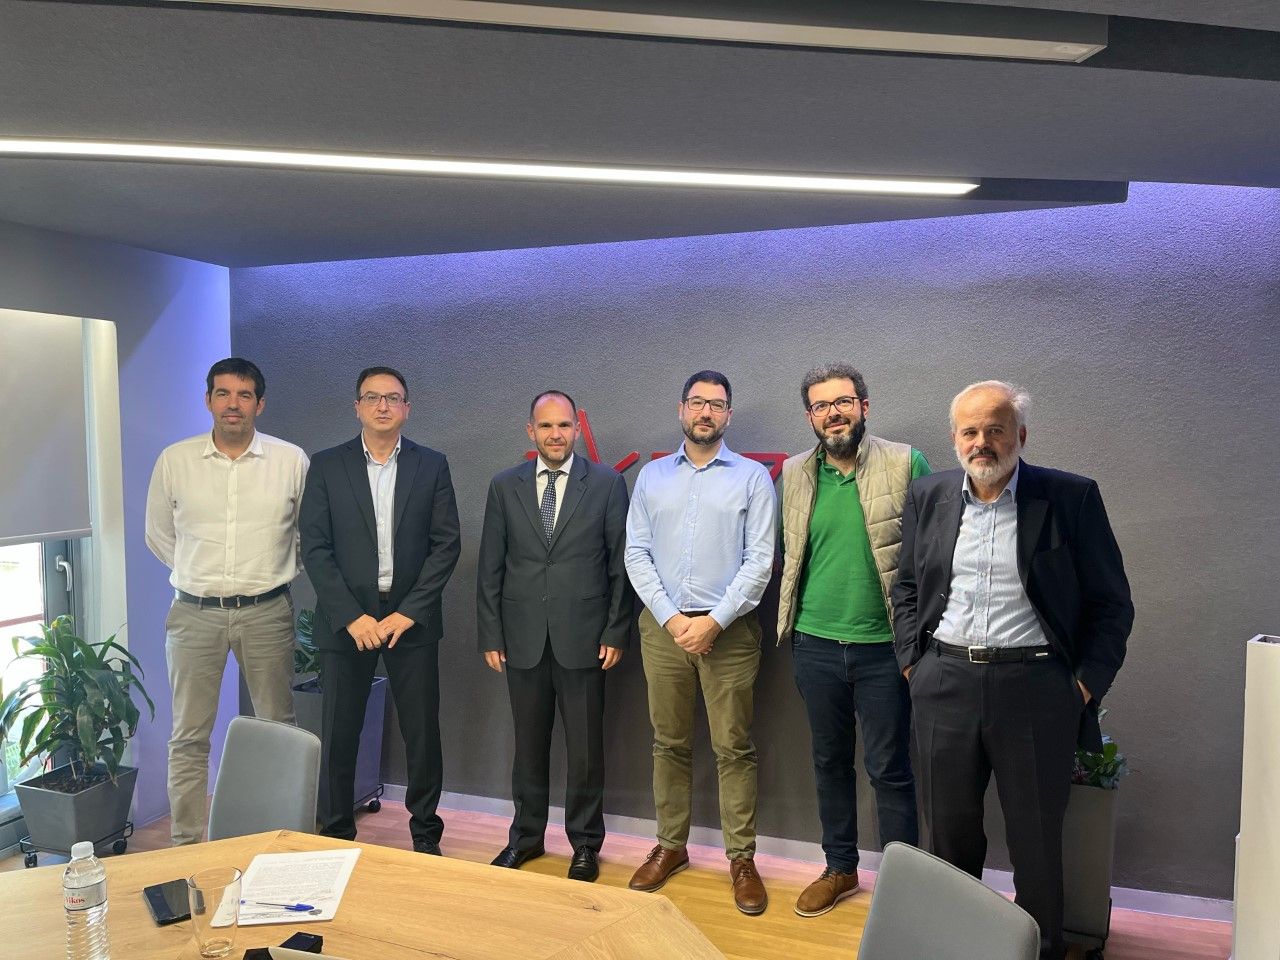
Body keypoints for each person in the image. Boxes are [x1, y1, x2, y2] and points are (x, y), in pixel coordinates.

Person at [892, 380, 1133, 960]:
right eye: (970, 431)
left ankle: (1040, 949)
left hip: (1035, 688)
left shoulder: (1070, 497)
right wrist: (913, 664)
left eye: (995, 429)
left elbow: (1111, 604)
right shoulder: (928, 494)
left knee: (1036, 840)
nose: (982, 442)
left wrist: (1082, 685)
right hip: (944, 683)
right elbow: (906, 586)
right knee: (946, 838)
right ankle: (954, 946)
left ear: (1020, 435)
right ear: (955, 438)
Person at [776, 363, 930, 916]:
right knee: (829, 763)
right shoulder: (794, 472)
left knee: (890, 769)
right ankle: (840, 868)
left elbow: (933, 554)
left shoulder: (906, 462)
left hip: (885, 649)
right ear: (810, 417)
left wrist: (917, 642)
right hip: (815, 644)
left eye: (843, 402)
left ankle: (902, 886)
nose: (833, 413)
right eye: (821, 406)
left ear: (864, 406)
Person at [623, 370, 777, 915]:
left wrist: (713, 622)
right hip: (662, 632)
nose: (705, 412)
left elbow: (760, 561)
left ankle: (742, 859)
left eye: (716, 404)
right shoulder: (652, 476)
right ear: (681, 410)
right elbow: (636, 553)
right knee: (668, 743)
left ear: (728, 414)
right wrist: (672, 619)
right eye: (697, 402)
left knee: (733, 747)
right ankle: (671, 846)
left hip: (729, 634)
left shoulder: (753, 478)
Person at [145, 357, 308, 845]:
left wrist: (267, 573)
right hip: (194, 615)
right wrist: (200, 575)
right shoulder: (175, 461)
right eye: (222, 393)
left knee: (278, 730)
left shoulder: (290, 461)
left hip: (267, 612)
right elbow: (159, 535)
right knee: (189, 736)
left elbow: (306, 536)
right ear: (208, 400)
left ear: (260, 404)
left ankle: (278, 840)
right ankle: (186, 846)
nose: (232, 404)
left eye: (243, 395)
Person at [299, 366, 461, 854]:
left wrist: (408, 612)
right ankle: (335, 834)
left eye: (392, 397)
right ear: (357, 407)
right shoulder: (327, 465)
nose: (383, 406)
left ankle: (426, 834)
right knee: (340, 731)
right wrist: (352, 616)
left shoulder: (431, 465)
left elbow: (446, 545)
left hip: (409, 619)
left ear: (407, 408)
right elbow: (316, 548)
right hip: (348, 621)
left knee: (422, 733)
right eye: (372, 397)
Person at [476, 390, 633, 882]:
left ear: (576, 430)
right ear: (531, 431)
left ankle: (585, 845)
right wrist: (490, 633)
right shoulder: (505, 486)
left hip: (585, 639)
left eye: (564, 425)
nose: (556, 434)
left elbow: (620, 565)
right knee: (527, 747)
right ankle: (525, 838)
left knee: (585, 752)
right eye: (546, 426)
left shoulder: (606, 484)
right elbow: (490, 567)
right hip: (521, 639)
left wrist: (616, 629)